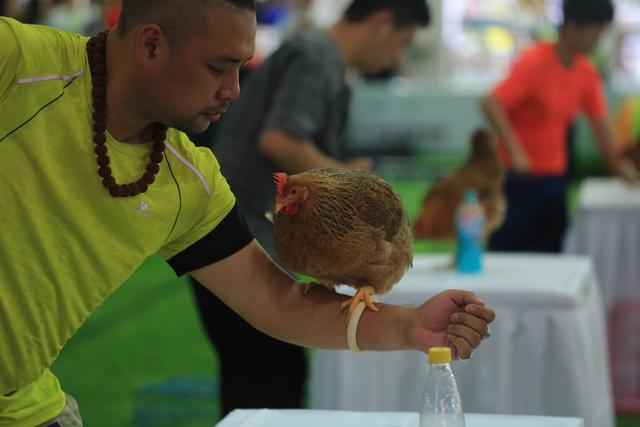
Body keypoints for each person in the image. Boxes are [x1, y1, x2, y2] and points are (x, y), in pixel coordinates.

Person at [0, 1, 495, 426]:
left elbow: (276, 303)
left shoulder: (189, 181)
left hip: (25, 406)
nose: (235, 90)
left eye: (241, 68)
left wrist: (410, 327)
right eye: (219, 68)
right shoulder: (21, 64)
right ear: (151, 45)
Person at [187, 0, 430, 415]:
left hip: (242, 231)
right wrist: (349, 182)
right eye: (403, 42)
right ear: (382, 22)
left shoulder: (317, 55)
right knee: (267, 382)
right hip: (239, 238)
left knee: (258, 378)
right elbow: (280, 140)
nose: (398, 56)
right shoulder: (317, 57)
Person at [481, 0, 633, 253]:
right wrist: (516, 150)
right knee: (507, 251)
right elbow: (491, 104)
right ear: (572, 26)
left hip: (556, 178)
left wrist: (619, 165)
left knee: (551, 251)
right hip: (517, 179)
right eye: (595, 33)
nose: (598, 41)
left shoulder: (586, 71)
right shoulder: (534, 61)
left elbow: (600, 124)